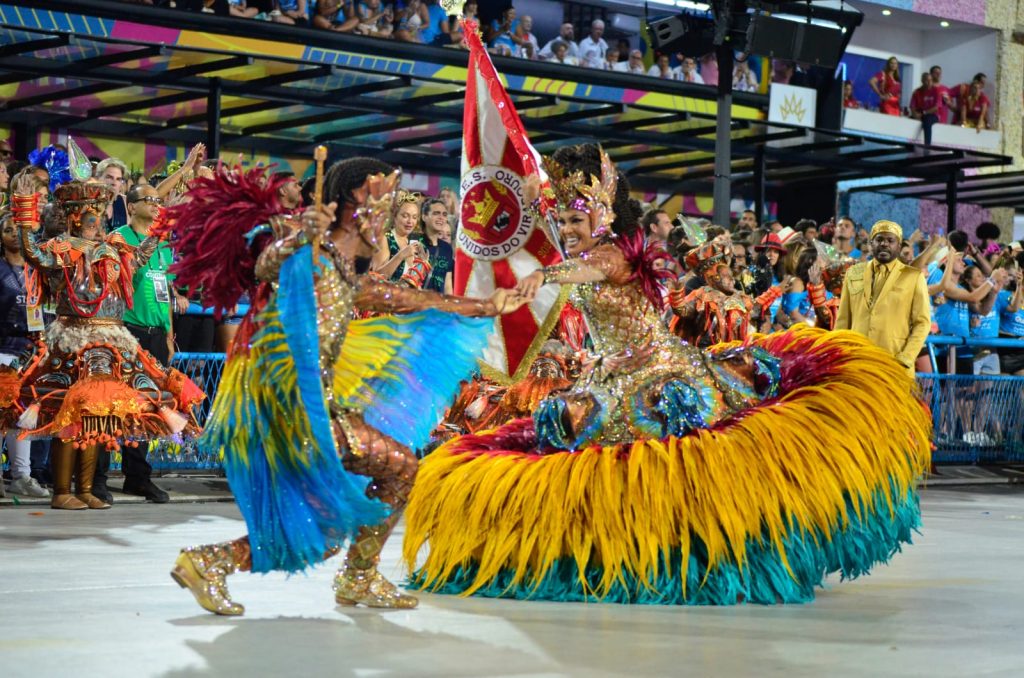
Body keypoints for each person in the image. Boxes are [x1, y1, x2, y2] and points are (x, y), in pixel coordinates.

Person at [403, 143, 932, 606]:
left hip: (660, 374)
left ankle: (700, 554)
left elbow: (578, 271)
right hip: (606, 380)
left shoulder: (608, 256)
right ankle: (613, 558)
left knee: (681, 466)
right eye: (561, 222)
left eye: (575, 221)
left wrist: (543, 272)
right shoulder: (586, 252)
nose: (566, 231)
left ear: (604, 216)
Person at [168, 159, 525, 615]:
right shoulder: (310, 258)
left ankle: (216, 562)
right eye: (384, 206)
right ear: (358, 204)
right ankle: (348, 576)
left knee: (325, 532)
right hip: (298, 414)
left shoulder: (340, 270)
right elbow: (265, 266)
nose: (390, 218)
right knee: (387, 479)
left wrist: (482, 305)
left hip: (319, 412)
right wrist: (299, 235)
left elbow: (407, 296)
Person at [4, 170, 203, 510]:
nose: (97, 219)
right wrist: (24, 212)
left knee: (100, 416)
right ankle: (62, 491)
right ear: (75, 216)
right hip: (73, 339)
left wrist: (161, 224)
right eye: (90, 212)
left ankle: (86, 489)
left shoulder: (114, 248)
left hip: (112, 340)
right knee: (70, 415)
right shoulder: (62, 247)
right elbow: (34, 254)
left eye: (100, 211)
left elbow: (140, 257)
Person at [835, 220, 931, 374]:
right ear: (871, 244)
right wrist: (838, 355)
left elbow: (922, 323)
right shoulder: (854, 273)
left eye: (890, 240)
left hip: (894, 363)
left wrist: (906, 356)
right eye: (879, 239)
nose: (885, 244)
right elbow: (843, 320)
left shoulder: (913, 276)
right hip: (857, 363)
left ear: (898, 246)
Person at [0, 212, 50, 499]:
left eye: (19, 229)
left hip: (30, 355)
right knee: (0, 417)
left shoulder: (38, 271)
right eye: (7, 229)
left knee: (24, 418)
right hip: (3, 351)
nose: (14, 233)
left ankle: (22, 476)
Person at [371, 190, 427, 283]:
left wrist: (422, 264)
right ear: (395, 216)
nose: (410, 221)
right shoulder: (385, 239)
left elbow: (414, 283)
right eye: (405, 216)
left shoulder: (415, 242)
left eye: (414, 217)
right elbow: (376, 277)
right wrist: (401, 255)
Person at [418, 198, 454, 294]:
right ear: (424, 217)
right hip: (417, 302)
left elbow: (447, 284)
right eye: (436, 213)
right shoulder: (415, 242)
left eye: (444, 214)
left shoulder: (447, 248)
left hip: (438, 305)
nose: (441, 217)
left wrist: (448, 306)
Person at [910, 72, 941, 145]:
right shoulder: (917, 92)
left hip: (932, 114)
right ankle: (909, 144)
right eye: (927, 80)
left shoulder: (936, 91)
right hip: (919, 114)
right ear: (922, 81)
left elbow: (936, 108)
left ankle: (927, 144)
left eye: (930, 80)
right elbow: (912, 106)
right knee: (909, 120)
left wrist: (923, 113)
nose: (929, 82)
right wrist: (915, 114)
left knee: (927, 121)